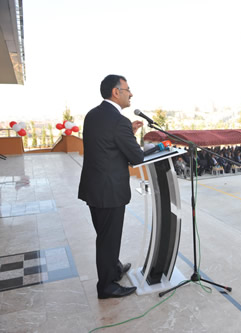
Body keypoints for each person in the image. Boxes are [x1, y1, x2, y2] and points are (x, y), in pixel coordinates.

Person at [78, 74, 144, 299]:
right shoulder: (119, 121)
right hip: (110, 191)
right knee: (108, 238)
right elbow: (136, 157)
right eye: (128, 90)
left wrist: (128, 133)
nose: (131, 94)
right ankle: (106, 286)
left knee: (105, 234)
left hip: (93, 187)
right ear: (116, 92)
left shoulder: (93, 115)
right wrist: (131, 136)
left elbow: (105, 145)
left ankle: (113, 268)